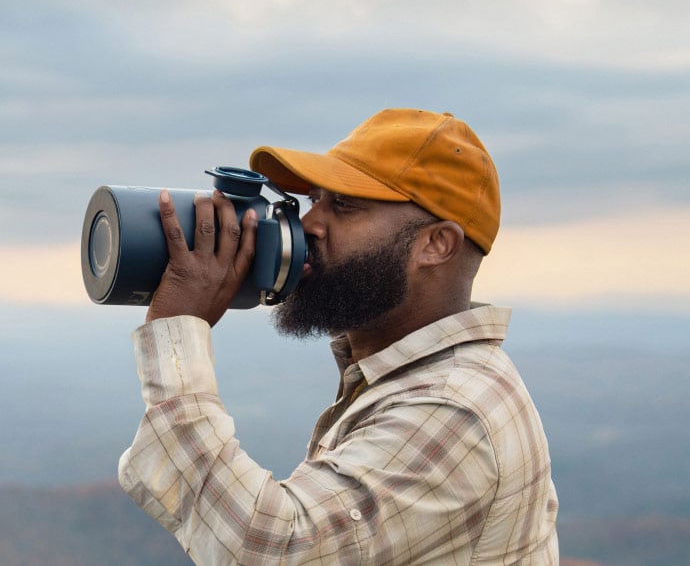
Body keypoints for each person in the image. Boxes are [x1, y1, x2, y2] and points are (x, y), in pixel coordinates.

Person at [119, 108, 559, 564]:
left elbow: (269, 549)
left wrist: (177, 332)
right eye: (316, 200)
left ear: (435, 245)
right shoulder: (420, 378)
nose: (309, 224)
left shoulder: (453, 409)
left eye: (344, 206)